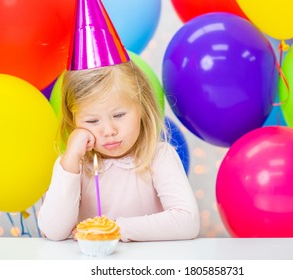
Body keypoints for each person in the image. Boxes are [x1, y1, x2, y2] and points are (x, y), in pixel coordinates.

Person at [37, 60, 200, 242]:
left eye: (119, 115)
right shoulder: (75, 164)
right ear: (73, 121)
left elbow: (188, 221)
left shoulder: (159, 156)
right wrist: (71, 159)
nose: (108, 130)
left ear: (142, 108)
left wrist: (115, 228)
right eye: (92, 121)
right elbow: (53, 231)